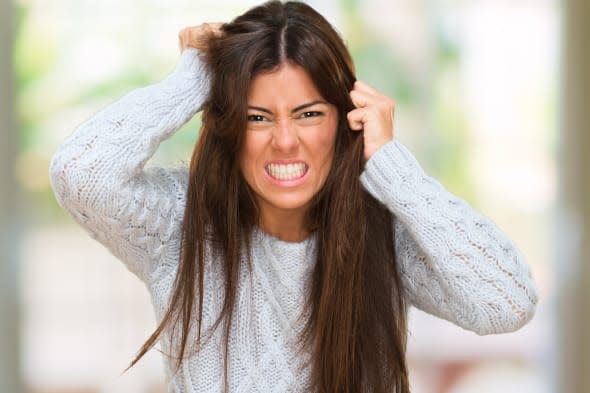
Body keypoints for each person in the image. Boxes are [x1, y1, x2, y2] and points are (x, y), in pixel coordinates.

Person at [48, 1, 538, 392]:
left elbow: (506, 302)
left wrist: (391, 163)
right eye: (257, 117)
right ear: (229, 126)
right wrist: (196, 77)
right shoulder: (180, 223)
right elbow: (80, 172)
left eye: (308, 114)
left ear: (346, 120)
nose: (284, 141)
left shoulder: (386, 232)